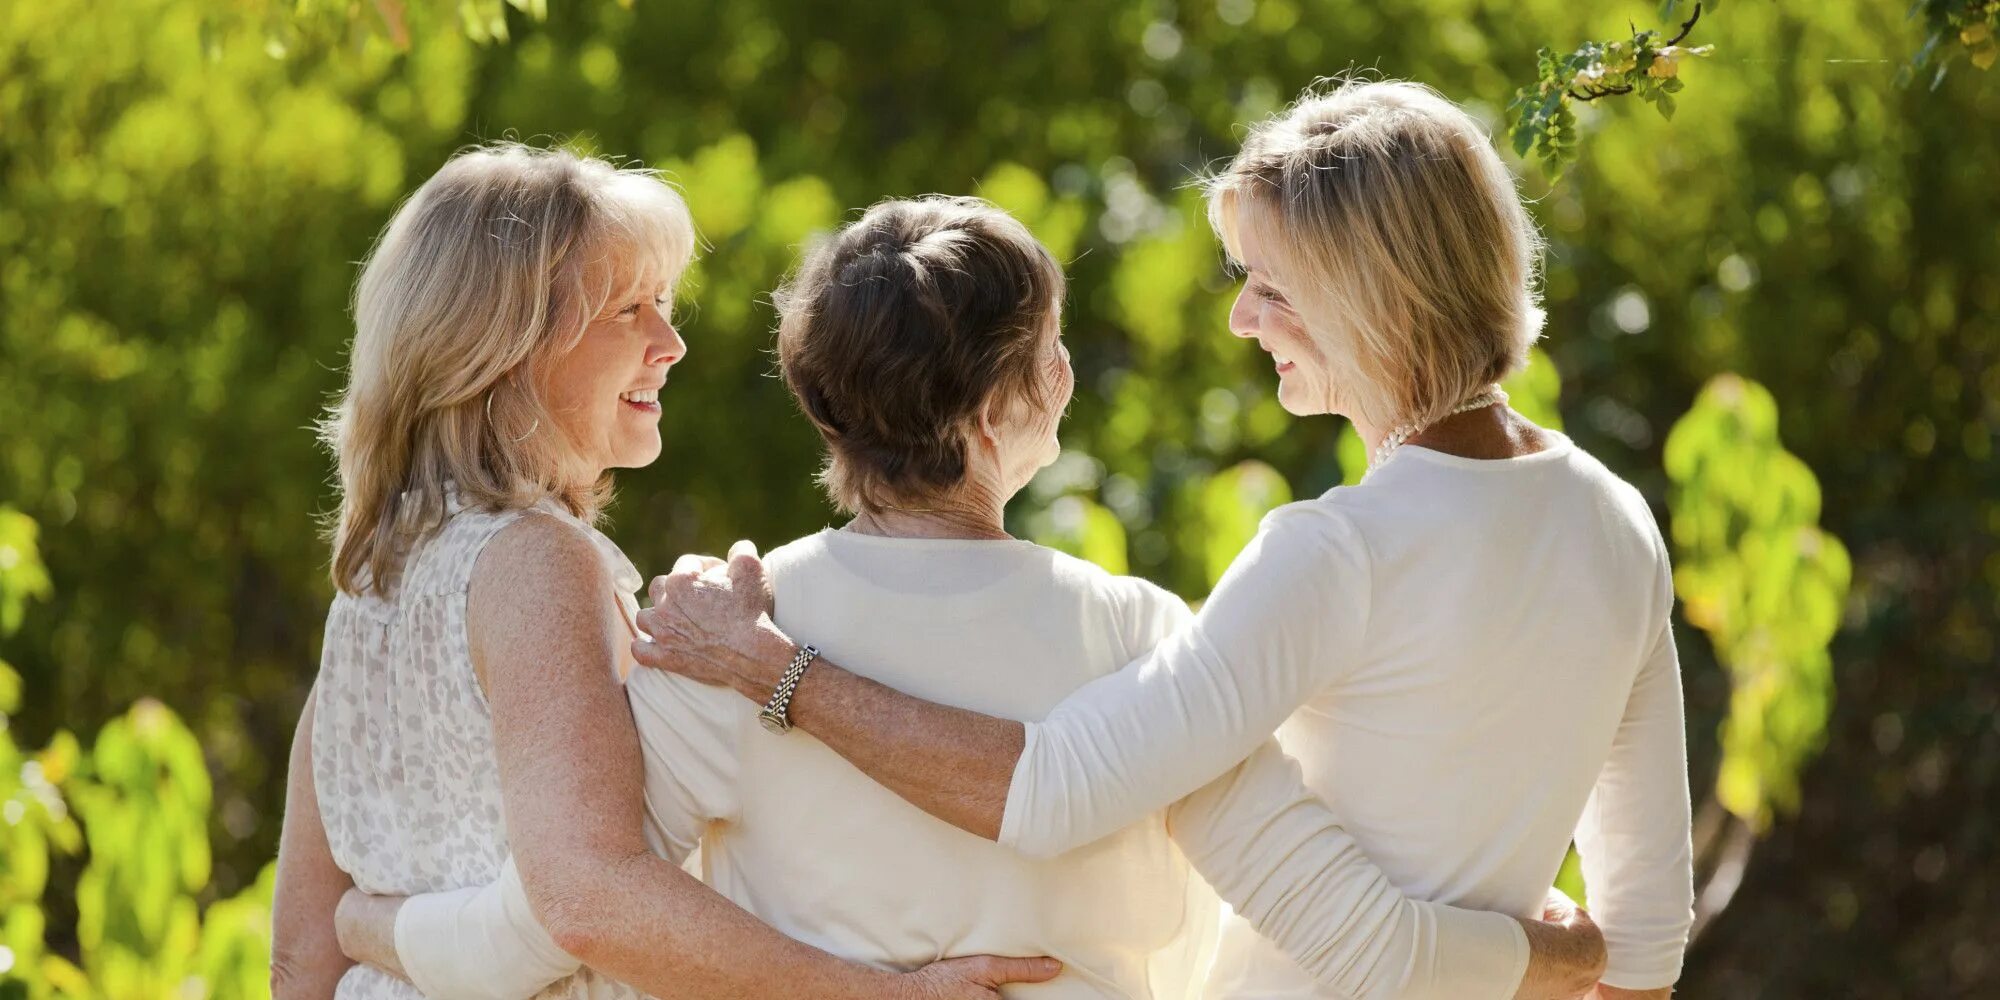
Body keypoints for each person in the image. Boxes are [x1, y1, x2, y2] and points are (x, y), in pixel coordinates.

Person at [334, 196, 1607, 1000]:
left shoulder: (724, 625)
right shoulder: (1140, 635)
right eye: (1050, 346)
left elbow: (555, 922)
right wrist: (1553, 953)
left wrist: (362, 917)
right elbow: (1330, 921)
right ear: (1016, 400)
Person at [635, 80, 1696, 1000]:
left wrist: (770, 667)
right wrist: (1551, 963)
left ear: (1376, 302)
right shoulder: (1613, 519)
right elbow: (1645, 937)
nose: (1240, 321)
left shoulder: (1338, 551)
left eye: (1268, 287)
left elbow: (1049, 789)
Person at [270, 144, 1061, 1000]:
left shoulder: (369, 590)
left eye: (664, 305)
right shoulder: (531, 560)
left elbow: (301, 961)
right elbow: (588, 898)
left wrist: (372, 929)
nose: (671, 343)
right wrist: (879, 993)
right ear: (503, 348)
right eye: (628, 311)